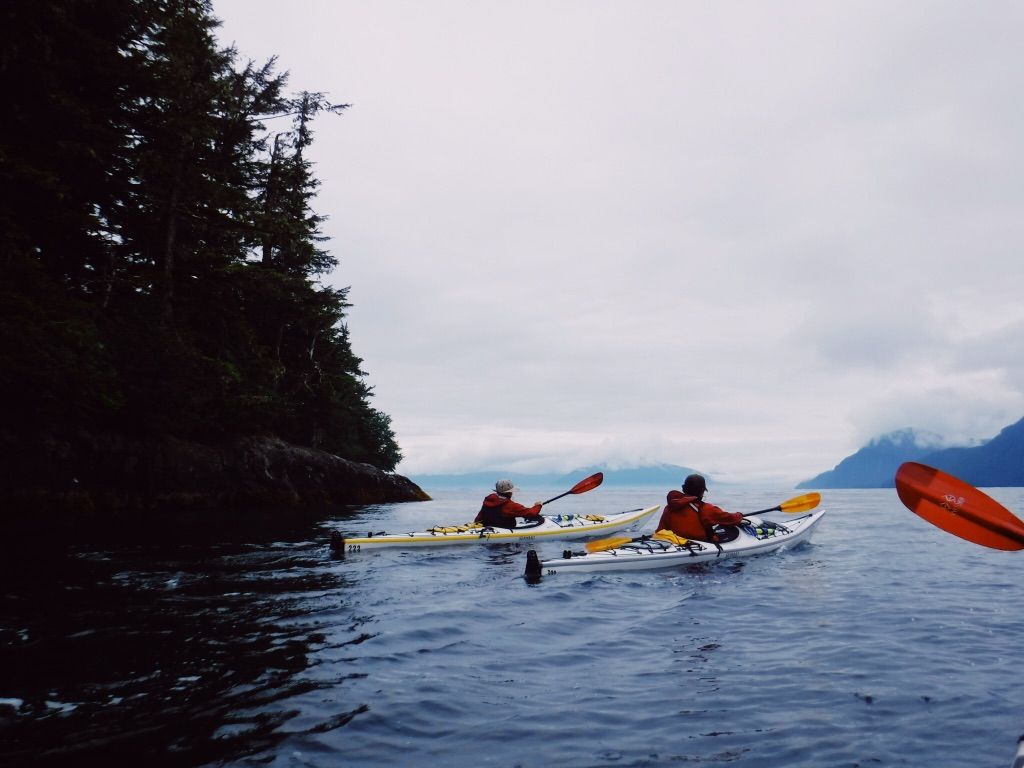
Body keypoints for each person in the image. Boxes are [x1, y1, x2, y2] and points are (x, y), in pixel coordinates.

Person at [656, 473, 746, 543]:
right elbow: (731, 519)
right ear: (702, 491)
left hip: (675, 544)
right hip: (700, 546)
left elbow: (660, 531)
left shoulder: (670, 508)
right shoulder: (706, 509)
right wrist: (739, 515)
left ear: (683, 489)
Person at [475, 479, 544, 529]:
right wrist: (538, 505)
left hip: (487, 529)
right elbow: (531, 513)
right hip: (503, 535)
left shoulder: (488, 501)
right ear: (509, 493)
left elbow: (478, 518)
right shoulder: (510, 505)